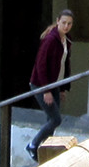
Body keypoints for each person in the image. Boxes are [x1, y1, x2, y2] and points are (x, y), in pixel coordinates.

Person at [27, 10, 75, 158]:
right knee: (56, 119)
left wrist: (62, 88)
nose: (66, 26)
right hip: (41, 85)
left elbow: (64, 64)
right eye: (64, 23)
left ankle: (46, 150)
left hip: (55, 84)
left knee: (51, 120)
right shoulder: (50, 40)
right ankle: (33, 145)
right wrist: (46, 90)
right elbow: (41, 65)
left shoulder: (66, 40)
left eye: (69, 24)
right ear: (58, 21)